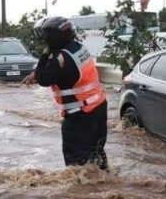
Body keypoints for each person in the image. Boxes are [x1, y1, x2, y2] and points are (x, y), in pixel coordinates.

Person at [22, 16, 108, 170]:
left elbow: (43, 78)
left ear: (52, 38)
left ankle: (80, 193)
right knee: (97, 155)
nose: (44, 41)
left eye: (45, 39)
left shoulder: (61, 59)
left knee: (76, 166)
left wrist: (45, 53)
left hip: (79, 116)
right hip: (98, 108)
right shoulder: (78, 48)